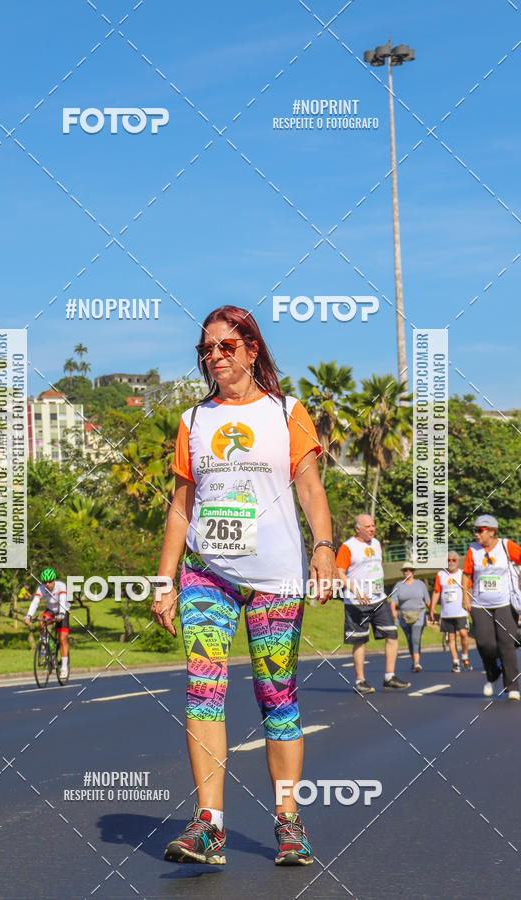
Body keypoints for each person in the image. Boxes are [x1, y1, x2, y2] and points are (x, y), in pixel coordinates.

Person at [151, 305, 336, 867]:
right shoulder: (193, 420)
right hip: (208, 573)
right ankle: (210, 826)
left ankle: (288, 823)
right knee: (202, 691)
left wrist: (324, 550)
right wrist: (165, 580)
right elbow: (182, 508)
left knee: (277, 698)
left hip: (276, 578)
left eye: (226, 347)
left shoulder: (288, 412)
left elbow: (309, 487)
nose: (215, 358)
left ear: (252, 349)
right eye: (206, 351)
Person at [335, 515, 410, 694]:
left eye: (373, 526)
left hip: (378, 599)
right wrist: (355, 590)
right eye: (368, 526)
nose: (372, 529)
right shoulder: (348, 547)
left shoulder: (376, 544)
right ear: (357, 528)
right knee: (360, 640)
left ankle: (389, 677)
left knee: (391, 635)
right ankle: (360, 681)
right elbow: (339, 573)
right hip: (357, 602)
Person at [462, 515, 521, 700]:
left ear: (492, 531)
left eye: (480, 530)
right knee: (484, 643)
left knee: (506, 644)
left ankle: (512, 687)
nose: (476, 534)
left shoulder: (506, 545)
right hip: (480, 604)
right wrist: (465, 596)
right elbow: (466, 575)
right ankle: (493, 672)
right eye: (475, 530)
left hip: (504, 603)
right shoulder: (473, 550)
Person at [24, 568, 70, 679]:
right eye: (45, 582)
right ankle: (44, 646)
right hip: (50, 610)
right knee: (41, 621)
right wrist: (29, 615)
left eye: (49, 582)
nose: (47, 584)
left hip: (62, 610)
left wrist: (62, 614)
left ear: (54, 580)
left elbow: (63, 600)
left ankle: (64, 667)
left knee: (62, 639)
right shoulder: (41, 588)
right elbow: (35, 602)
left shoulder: (61, 586)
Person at [430, 552, 472, 672]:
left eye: (453, 560)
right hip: (447, 613)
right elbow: (437, 591)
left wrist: (469, 603)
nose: (451, 562)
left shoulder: (462, 574)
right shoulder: (441, 575)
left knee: (463, 634)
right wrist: (432, 608)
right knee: (451, 638)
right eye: (448, 560)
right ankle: (455, 662)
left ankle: (465, 656)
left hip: (460, 611)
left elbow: (469, 589)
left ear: (457, 561)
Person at [391, 562, 430, 672]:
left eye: (410, 570)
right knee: (409, 640)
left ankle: (417, 663)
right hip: (403, 616)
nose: (407, 572)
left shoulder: (420, 584)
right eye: (405, 570)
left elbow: (427, 600)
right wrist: (393, 610)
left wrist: (431, 611)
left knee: (415, 638)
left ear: (413, 572)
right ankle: (414, 662)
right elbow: (393, 600)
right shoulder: (398, 585)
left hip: (419, 615)